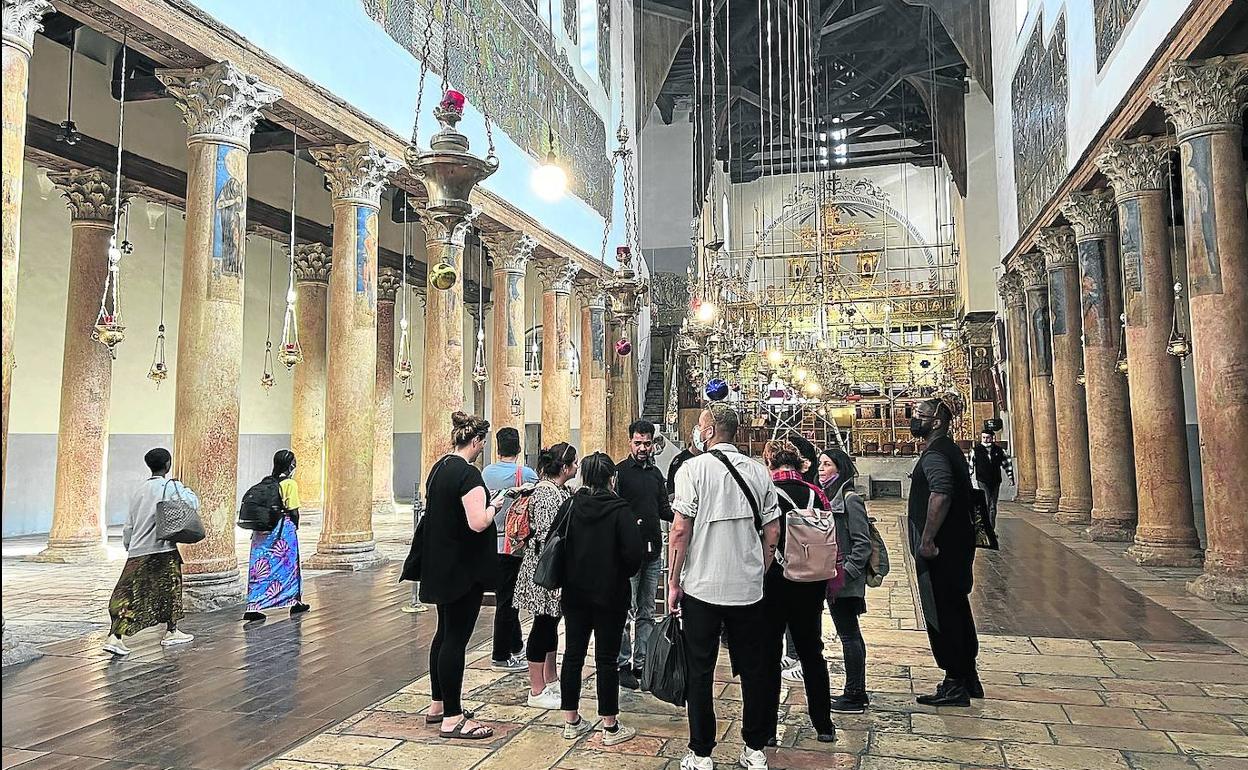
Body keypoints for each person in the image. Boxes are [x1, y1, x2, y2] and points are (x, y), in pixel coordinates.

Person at [668, 404, 783, 770]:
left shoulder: (692, 469)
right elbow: (773, 531)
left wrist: (673, 581)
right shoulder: (758, 471)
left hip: (702, 587)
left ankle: (701, 752)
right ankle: (755, 749)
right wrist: (759, 569)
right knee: (754, 669)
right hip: (747, 589)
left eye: (701, 425)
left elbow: (680, 530)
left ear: (710, 430)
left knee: (700, 671)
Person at [413, 412, 498, 740]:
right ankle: (452, 717)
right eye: (482, 443)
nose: (482, 448)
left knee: (444, 634)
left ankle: (438, 705)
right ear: (475, 441)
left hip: (439, 564)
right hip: (462, 569)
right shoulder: (468, 474)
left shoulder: (439, 468)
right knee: (455, 640)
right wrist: (496, 506)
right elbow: (478, 522)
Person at [557, 453, 644, 746]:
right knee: (607, 659)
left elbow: (555, 543)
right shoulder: (621, 510)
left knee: (573, 655)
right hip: (611, 594)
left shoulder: (571, 506)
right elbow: (634, 557)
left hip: (574, 593)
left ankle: (571, 721)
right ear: (612, 478)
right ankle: (610, 726)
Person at [909, 397, 982, 707]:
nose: (914, 418)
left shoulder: (936, 453)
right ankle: (967, 676)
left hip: (941, 550)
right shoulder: (949, 449)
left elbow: (940, 493)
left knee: (943, 613)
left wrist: (927, 539)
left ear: (936, 422)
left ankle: (954, 683)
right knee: (957, 608)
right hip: (956, 546)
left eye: (920, 415)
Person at [762, 440, 836, 743]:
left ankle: (767, 729)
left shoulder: (768, 493)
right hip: (811, 581)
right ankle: (824, 724)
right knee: (812, 652)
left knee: (769, 653)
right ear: (799, 464)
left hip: (776, 581)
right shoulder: (816, 493)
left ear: (770, 463)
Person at [103, 448, 198, 656]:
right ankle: (171, 632)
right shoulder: (170, 487)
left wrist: (129, 545)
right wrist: (183, 487)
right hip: (163, 549)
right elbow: (193, 503)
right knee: (170, 590)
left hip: (138, 549)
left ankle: (116, 636)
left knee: (128, 592)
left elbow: (129, 524)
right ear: (168, 464)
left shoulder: (139, 490)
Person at [515, 441, 579, 709]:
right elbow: (546, 534)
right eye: (574, 463)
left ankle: (551, 678)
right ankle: (536, 689)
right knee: (541, 626)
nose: (577, 467)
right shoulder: (544, 493)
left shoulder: (560, 490)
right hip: (544, 569)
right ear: (564, 468)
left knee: (552, 623)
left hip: (555, 568)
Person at [614, 419, 673, 690]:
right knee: (625, 611)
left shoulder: (656, 474)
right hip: (628, 554)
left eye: (647, 444)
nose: (642, 448)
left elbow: (663, 509)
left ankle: (643, 663)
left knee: (647, 611)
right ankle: (623, 663)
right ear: (630, 442)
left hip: (652, 552)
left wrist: (684, 515)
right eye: (638, 443)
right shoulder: (620, 473)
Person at [820, 447, 873, 713]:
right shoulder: (827, 496)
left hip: (845, 580)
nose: (821, 469)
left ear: (839, 469)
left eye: (827, 464)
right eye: (820, 464)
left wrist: (846, 573)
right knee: (849, 633)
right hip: (834, 577)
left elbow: (862, 543)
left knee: (849, 635)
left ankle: (854, 694)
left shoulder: (850, 499)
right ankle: (856, 691)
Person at [481, 427, 538, 672]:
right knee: (507, 602)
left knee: (507, 596)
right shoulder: (526, 474)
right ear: (519, 448)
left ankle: (516, 646)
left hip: (490, 543)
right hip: (513, 545)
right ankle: (500, 655)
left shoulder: (486, 472)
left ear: (497, 448)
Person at [243, 450, 310, 622]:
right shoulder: (289, 484)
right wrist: (295, 526)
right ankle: (294, 600)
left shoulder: (267, 481)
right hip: (282, 530)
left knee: (260, 568)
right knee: (289, 567)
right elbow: (293, 510)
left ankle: (254, 605)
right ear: (290, 465)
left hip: (261, 532)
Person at [971, 430, 1013, 526]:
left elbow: (1007, 464)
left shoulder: (999, 450)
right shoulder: (976, 450)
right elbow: (971, 465)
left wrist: (1010, 477)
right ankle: (985, 526)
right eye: (984, 438)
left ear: (992, 438)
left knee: (993, 505)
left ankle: (991, 527)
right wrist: (968, 477)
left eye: (988, 438)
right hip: (982, 479)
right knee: (986, 502)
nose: (986, 440)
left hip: (995, 480)